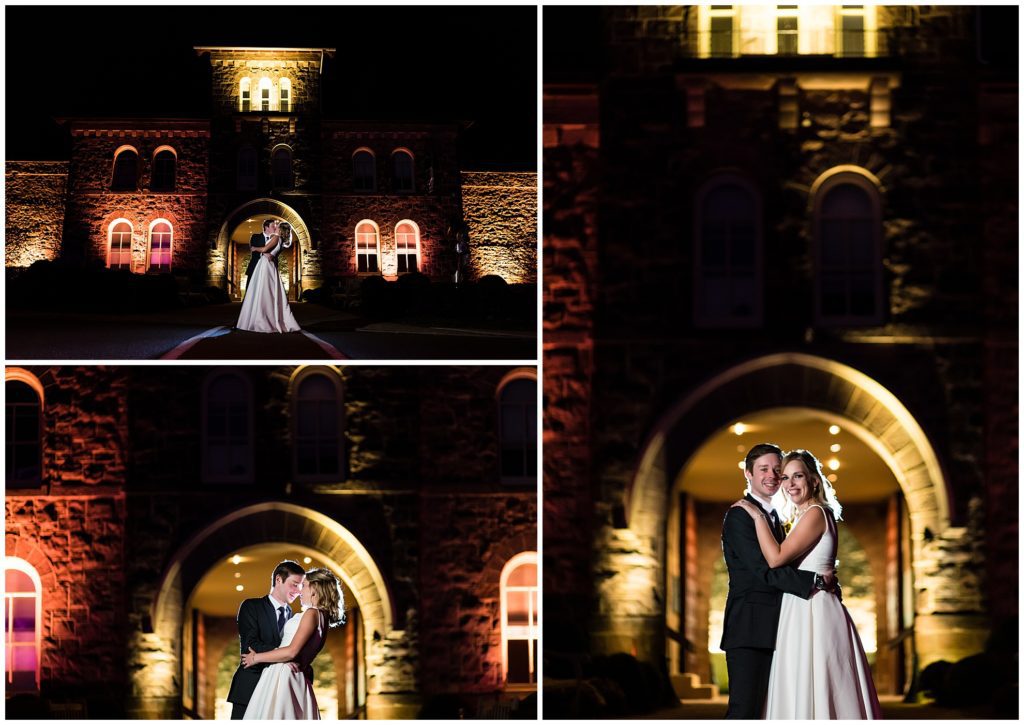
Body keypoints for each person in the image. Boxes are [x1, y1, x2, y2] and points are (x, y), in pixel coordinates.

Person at [732, 449, 882, 719]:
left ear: (814, 480)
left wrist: (756, 516)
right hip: (802, 605)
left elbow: (776, 559)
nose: (789, 483)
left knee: (817, 683)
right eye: (786, 477)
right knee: (803, 684)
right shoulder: (801, 516)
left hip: (813, 610)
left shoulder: (814, 513)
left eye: (797, 476)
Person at [720, 443, 835, 719]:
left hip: (779, 628)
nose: (772, 475)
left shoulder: (777, 518)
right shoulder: (741, 515)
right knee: (744, 711)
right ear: (748, 474)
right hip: (750, 628)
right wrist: (815, 581)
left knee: (771, 711)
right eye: (763, 469)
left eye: (777, 470)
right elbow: (763, 570)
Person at [241, 568, 346, 720]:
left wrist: (255, 658)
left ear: (315, 589)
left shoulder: (311, 613)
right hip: (294, 674)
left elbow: (291, 651)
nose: (299, 591)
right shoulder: (322, 617)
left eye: (303, 586)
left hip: (283, 676)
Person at [226, 560, 305, 719]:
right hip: (250, 685)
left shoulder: (291, 614)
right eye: (295, 584)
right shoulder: (251, 606)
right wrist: (287, 653)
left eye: (301, 586)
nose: (299, 591)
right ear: (278, 579)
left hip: (277, 689)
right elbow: (251, 645)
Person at [237, 219, 301, 332]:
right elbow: (272, 252)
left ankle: (260, 319)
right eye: (274, 225)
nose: (275, 227)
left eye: (277, 226)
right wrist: (269, 254)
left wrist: (256, 249)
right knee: (269, 293)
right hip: (268, 266)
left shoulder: (276, 238)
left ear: (280, 229)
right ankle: (269, 317)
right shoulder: (281, 241)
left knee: (262, 292)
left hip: (265, 266)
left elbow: (266, 249)